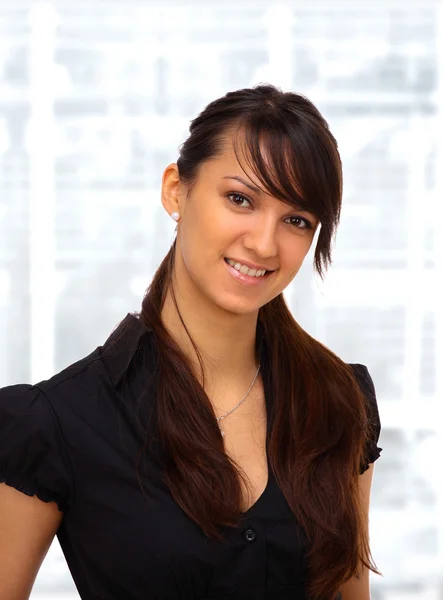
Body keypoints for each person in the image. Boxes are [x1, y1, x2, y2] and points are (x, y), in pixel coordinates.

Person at [0, 84, 382, 600]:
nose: (264, 243)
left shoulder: (339, 401)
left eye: (296, 220)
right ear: (175, 191)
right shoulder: (55, 423)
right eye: (240, 199)